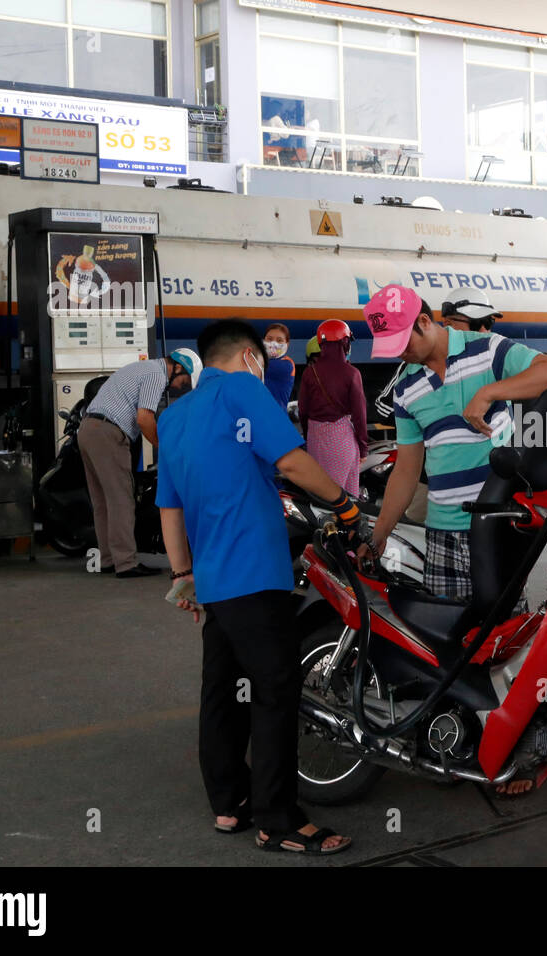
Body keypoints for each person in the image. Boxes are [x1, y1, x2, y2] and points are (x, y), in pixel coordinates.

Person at [156, 319, 366, 855]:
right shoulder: (244, 389)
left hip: (213, 579)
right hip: (254, 570)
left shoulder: (176, 415)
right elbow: (293, 461)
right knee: (275, 691)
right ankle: (280, 819)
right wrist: (344, 504)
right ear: (251, 356)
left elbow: (170, 506)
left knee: (221, 691)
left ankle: (230, 804)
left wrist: (183, 577)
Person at [359, 285, 547, 603]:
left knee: (500, 632)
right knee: (450, 634)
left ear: (426, 322)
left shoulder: (487, 349)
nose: (399, 352)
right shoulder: (405, 389)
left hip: (496, 524)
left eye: (402, 341)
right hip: (442, 531)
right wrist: (380, 535)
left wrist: (490, 392)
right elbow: (406, 469)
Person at [79, 350, 194, 577]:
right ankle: (126, 564)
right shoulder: (157, 375)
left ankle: (108, 560)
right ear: (178, 368)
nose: (181, 386)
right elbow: (144, 418)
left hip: (88, 430)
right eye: (184, 380)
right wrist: (164, 448)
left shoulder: (143, 367)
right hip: (108, 433)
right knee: (122, 499)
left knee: (103, 501)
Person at [298, 320, 368, 495]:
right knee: (349, 498)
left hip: (316, 437)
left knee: (327, 499)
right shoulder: (352, 373)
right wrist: (363, 446)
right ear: (344, 343)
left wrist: (308, 436)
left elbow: (302, 411)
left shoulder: (309, 372)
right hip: (344, 440)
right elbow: (360, 414)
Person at [261, 323, 296, 409]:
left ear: (287, 344)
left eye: (279, 340)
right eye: (269, 339)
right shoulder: (260, 360)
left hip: (275, 417)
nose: (273, 343)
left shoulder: (287, 364)